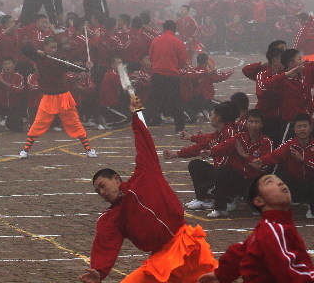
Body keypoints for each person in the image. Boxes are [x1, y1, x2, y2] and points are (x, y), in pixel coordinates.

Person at [80, 97, 217, 283]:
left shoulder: (145, 175)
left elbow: (144, 144)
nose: (102, 193)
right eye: (98, 192)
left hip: (186, 245)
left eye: (102, 186)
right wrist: (98, 271)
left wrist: (136, 115)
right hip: (160, 260)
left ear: (116, 179)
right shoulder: (110, 218)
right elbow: (105, 245)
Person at [200, 174, 314, 283]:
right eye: (269, 182)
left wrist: (221, 275)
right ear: (258, 201)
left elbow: (240, 251)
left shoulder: (271, 226)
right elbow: (288, 273)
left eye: (280, 180)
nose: (280, 182)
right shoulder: (274, 230)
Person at [18, 37, 96, 158]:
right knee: (38, 124)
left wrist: (86, 67)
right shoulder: (38, 56)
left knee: (75, 123)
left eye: (55, 47)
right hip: (48, 98)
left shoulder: (61, 58)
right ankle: (25, 151)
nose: (54, 50)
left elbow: (73, 67)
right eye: (51, 47)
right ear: (44, 47)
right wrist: (37, 52)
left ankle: (89, 150)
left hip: (63, 97)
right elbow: (24, 49)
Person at [147, 20, 189, 133]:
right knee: (176, 102)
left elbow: (151, 57)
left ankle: (146, 122)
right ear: (174, 30)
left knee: (152, 101)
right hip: (172, 75)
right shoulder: (178, 42)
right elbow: (183, 61)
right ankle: (179, 127)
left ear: (163, 28)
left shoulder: (155, 40)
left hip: (157, 75)